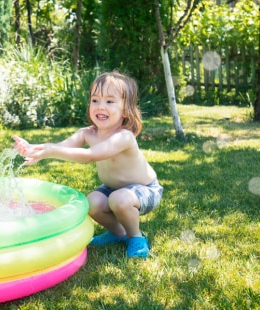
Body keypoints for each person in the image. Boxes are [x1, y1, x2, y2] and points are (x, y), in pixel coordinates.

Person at [12, 71, 162, 258]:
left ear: (125, 110)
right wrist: (37, 150)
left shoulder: (124, 136)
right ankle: (119, 233)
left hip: (145, 190)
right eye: (95, 100)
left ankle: (136, 237)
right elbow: (62, 147)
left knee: (120, 200)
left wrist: (51, 150)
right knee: (91, 203)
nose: (101, 106)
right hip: (113, 189)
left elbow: (90, 155)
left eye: (109, 101)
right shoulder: (87, 133)